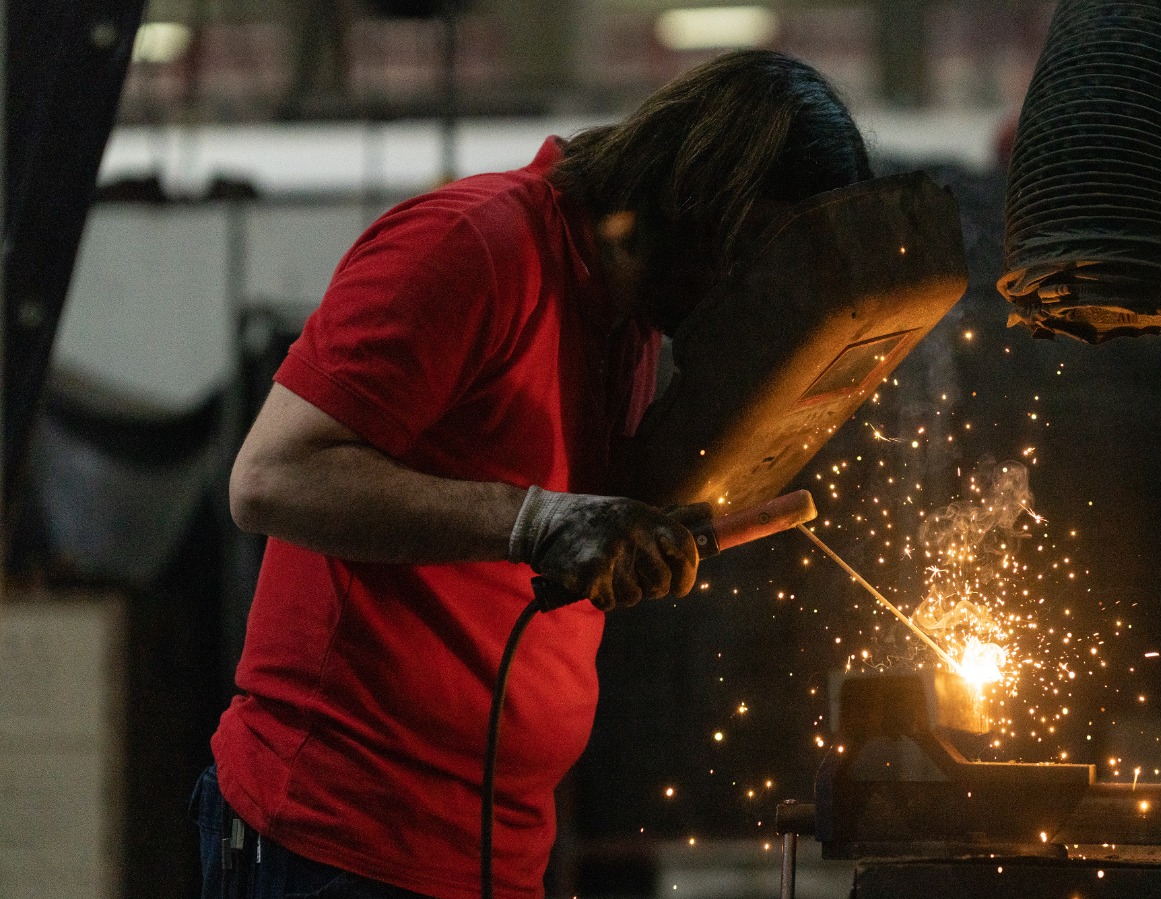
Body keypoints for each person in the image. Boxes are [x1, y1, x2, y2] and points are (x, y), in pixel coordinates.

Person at [193, 50, 871, 899]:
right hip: (338, 841)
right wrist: (531, 520)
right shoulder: (476, 246)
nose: (747, 295)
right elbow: (267, 479)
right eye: (752, 259)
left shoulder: (624, 322)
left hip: (495, 851)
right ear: (703, 193)